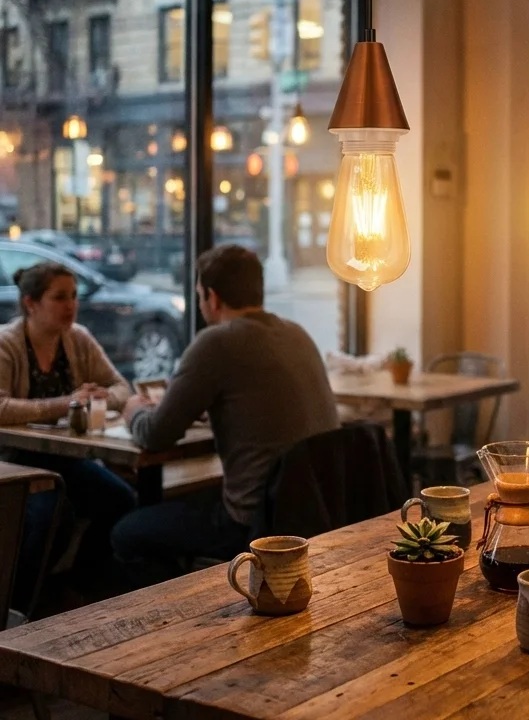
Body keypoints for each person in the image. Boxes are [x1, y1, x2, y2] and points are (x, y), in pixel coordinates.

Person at [111, 245, 339, 579]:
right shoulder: (297, 333)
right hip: (314, 507)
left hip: (253, 520)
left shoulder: (215, 343)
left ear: (213, 298)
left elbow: (155, 434)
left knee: (126, 534)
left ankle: (175, 618)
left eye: (200, 296)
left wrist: (132, 410)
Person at [0, 262, 135, 611]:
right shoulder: (7, 343)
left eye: (74, 296)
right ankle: (19, 609)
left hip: (68, 459)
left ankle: (81, 586)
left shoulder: (78, 339)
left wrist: (100, 398)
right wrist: (65, 403)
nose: (71, 305)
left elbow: (121, 386)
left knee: (121, 500)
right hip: (15, 461)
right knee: (48, 516)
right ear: (31, 303)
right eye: (59, 297)